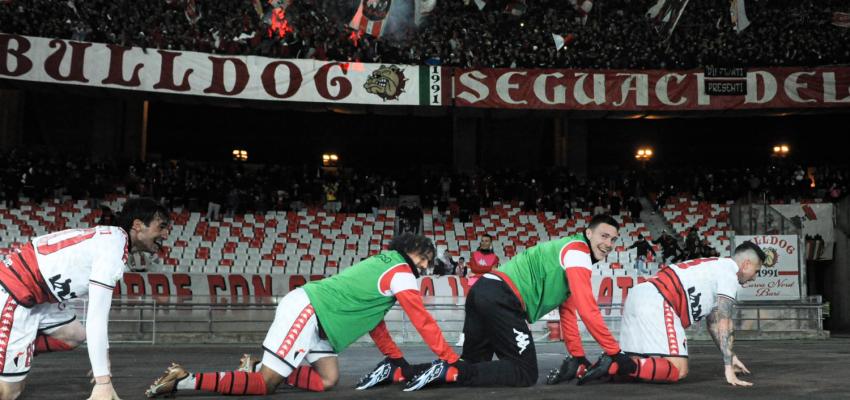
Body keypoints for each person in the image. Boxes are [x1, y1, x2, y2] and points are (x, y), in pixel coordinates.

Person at [145, 233, 459, 398]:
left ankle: (255, 364)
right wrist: (449, 358)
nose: (425, 267)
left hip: (315, 318)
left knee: (328, 380)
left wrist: (395, 358)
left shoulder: (386, 264)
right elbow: (423, 320)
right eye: (424, 259)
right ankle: (186, 381)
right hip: (308, 312)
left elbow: (373, 323)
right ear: (412, 253)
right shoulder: (401, 271)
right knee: (266, 385)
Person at [401, 215, 634, 391]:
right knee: (524, 372)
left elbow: (569, 310)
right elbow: (588, 308)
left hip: (483, 291)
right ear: (588, 233)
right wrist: (615, 352)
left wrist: (577, 355)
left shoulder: (569, 252)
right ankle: (445, 370)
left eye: (613, 239)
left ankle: (402, 372)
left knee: (472, 364)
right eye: (604, 236)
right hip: (501, 297)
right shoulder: (578, 252)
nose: (609, 243)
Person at [0, 197, 171, 400]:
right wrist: (103, 382)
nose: (166, 233)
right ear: (137, 225)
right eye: (161, 227)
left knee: (75, 335)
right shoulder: (113, 251)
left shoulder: (112, 238)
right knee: (9, 393)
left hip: (41, 294)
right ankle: (14, 349)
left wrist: (103, 357)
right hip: (17, 291)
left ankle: (19, 348)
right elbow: (96, 319)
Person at [579, 242, 765, 387]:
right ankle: (616, 365)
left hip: (639, 295)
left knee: (641, 363)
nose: (754, 277)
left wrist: (730, 356)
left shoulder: (716, 267)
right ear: (746, 264)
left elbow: (714, 322)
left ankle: (609, 365)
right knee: (678, 369)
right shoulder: (730, 274)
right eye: (756, 271)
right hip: (660, 299)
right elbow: (724, 320)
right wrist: (727, 368)